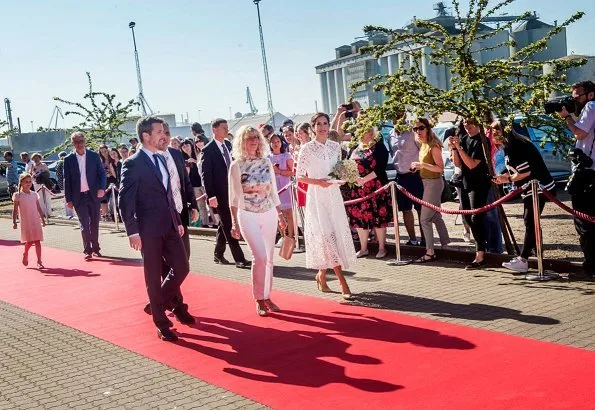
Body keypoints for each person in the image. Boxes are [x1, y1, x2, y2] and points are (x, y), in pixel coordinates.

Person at [119, 116, 191, 342]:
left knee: (182, 267)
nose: (165, 135)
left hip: (170, 225)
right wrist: (132, 231)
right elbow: (125, 200)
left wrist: (177, 220)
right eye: (160, 131)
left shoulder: (161, 159)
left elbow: (168, 194)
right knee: (152, 276)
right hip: (148, 230)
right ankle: (161, 323)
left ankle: (156, 303)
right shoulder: (133, 163)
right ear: (146, 136)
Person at [229, 126, 287, 316]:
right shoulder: (236, 165)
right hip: (247, 214)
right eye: (249, 138)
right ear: (241, 142)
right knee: (260, 256)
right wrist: (234, 223)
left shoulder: (266, 162)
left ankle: (267, 295)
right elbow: (233, 197)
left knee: (269, 258)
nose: (253, 141)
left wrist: (280, 215)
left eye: (256, 137)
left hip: (268, 212)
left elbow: (273, 192)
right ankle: (259, 298)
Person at [296, 112, 356, 299]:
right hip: (317, 196)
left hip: (334, 196)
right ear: (312, 127)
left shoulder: (335, 147)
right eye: (319, 124)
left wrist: (345, 178)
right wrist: (317, 182)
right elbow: (299, 176)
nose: (322, 127)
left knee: (333, 236)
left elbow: (340, 171)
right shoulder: (307, 149)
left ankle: (321, 276)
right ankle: (342, 282)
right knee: (326, 235)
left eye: (325, 123)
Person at [490, 119, 556, 273]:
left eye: (496, 130)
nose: (493, 134)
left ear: (505, 131)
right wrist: (504, 176)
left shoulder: (516, 146)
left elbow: (525, 172)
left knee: (530, 220)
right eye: (492, 131)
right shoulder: (509, 146)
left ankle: (524, 259)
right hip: (530, 187)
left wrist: (506, 179)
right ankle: (531, 253)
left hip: (539, 187)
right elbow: (517, 171)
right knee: (530, 221)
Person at [200, 118, 250, 268]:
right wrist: (211, 195)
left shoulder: (228, 145)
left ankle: (218, 253)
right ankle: (239, 258)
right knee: (229, 224)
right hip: (220, 194)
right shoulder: (207, 150)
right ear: (214, 130)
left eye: (227, 127)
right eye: (223, 128)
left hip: (233, 190)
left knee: (224, 223)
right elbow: (206, 175)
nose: (226, 130)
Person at [559, 80, 595, 279]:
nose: (574, 101)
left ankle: (590, 269)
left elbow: (580, 132)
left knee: (584, 224)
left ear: (589, 94)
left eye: (577, 96)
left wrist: (567, 118)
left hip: (588, 174)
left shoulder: (591, 106)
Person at [342, 127, 392, 259]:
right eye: (363, 131)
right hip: (357, 189)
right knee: (359, 218)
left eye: (369, 131)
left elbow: (381, 167)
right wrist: (352, 178)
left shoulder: (379, 147)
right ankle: (363, 248)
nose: (366, 133)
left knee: (378, 218)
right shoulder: (354, 148)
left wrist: (364, 179)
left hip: (376, 188)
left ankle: (381, 247)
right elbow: (347, 165)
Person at [450, 117, 491, 269]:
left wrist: (459, 148)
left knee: (476, 216)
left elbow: (472, 164)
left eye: (470, 122)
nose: (467, 126)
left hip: (479, 183)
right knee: (467, 217)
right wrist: (454, 147)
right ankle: (479, 249)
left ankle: (481, 254)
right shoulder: (465, 139)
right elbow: (458, 163)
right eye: (465, 123)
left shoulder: (482, 140)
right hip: (465, 182)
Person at [410, 118, 450, 262]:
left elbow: (440, 168)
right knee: (435, 216)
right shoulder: (423, 144)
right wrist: (418, 167)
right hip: (427, 182)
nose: (418, 131)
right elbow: (426, 165)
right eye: (415, 129)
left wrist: (422, 166)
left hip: (434, 183)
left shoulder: (433, 145)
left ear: (427, 128)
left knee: (425, 219)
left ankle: (430, 251)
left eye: (420, 128)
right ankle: (446, 245)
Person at [64, 131, 107, 260]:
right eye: (76, 142)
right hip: (78, 197)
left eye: (81, 141)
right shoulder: (68, 159)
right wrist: (68, 199)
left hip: (93, 195)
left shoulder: (94, 156)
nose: (79, 144)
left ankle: (96, 248)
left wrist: (101, 188)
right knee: (84, 224)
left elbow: (102, 174)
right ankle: (87, 250)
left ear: (85, 141)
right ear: (73, 143)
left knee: (94, 223)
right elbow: (67, 180)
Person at [390, 115, 424, 246]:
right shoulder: (391, 135)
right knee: (405, 210)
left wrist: (421, 166)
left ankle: (425, 239)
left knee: (420, 209)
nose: (397, 118)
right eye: (394, 115)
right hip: (401, 177)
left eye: (400, 115)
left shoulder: (412, 132)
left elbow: (422, 150)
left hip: (415, 176)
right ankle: (413, 239)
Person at [12, 173, 46, 269]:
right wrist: (14, 222)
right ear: (21, 183)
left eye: (30, 182)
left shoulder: (34, 194)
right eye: (26, 182)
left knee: (38, 241)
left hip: (35, 220)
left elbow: (38, 207)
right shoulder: (17, 195)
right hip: (26, 221)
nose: (28, 184)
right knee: (30, 241)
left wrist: (42, 219)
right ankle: (25, 253)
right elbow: (14, 210)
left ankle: (39, 261)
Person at [269, 134, 295, 242]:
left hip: (285, 187)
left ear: (281, 143)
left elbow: (293, 172)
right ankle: (283, 237)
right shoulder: (267, 158)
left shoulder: (286, 155)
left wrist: (279, 171)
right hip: (274, 188)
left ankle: (291, 237)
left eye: (277, 141)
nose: (275, 144)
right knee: (277, 213)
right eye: (273, 142)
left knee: (288, 213)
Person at [55, 151, 74, 218]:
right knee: (67, 199)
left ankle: (69, 213)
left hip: (63, 183)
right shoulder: (61, 163)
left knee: (67, 199)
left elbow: (58, 174)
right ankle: (70, 213)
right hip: (63, 183)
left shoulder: (60, 163)